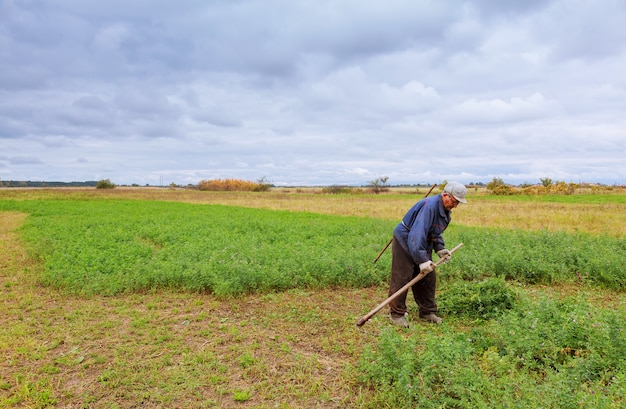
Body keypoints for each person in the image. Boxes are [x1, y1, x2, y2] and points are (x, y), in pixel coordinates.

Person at [388, 181, 467, 327]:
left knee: (428, 276)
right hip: (406, 238)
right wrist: (421, 260)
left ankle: (427, 312)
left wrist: (439, 248)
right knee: (403, 275)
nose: (455, 206)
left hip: (421, 240)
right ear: (445, 195)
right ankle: (396, 313)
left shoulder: (444, 210)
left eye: (458, 203)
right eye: (454, 202)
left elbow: (434, 231)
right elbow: (416, 234)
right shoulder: (429, 207)